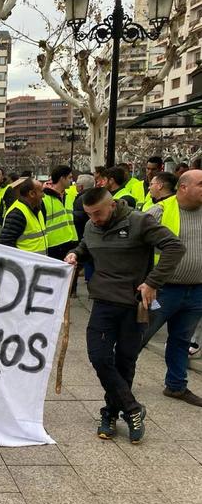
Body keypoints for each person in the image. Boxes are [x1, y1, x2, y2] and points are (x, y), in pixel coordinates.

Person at [65, 188, 185, 443]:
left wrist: (152, 282)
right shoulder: (90, 225)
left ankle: (109, 412)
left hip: (133, 305)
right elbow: (88, 245)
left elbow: (175, 247)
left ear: (112, 205)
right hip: (103, 302)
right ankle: (132, 409)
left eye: (98, 213)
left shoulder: (139, 221)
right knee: (99, 357)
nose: (94, 219)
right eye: (89, 215)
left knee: (125, 361)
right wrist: (77, 253)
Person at [141, 170, 202, 405]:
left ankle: (176, 386)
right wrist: (147, 282)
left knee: (181, 340)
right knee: (139, 337)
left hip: (196, 289)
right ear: (183, 187)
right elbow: (135, 244)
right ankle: (120, 386)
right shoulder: (160, 211)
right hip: (163, 290)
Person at [0, 178, 47, 255]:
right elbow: (6, 244)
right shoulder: (17, 213)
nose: (43, 195)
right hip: (27, 265)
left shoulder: (37, 210)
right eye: (41, 192)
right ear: (32, 194)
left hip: (37, 264)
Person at [43, 165, 78, 260]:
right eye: (69, 177)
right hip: (54, 246)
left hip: (71, 243)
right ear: (62, 178)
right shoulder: (44, 199)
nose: (71, 181)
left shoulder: (68, 196)